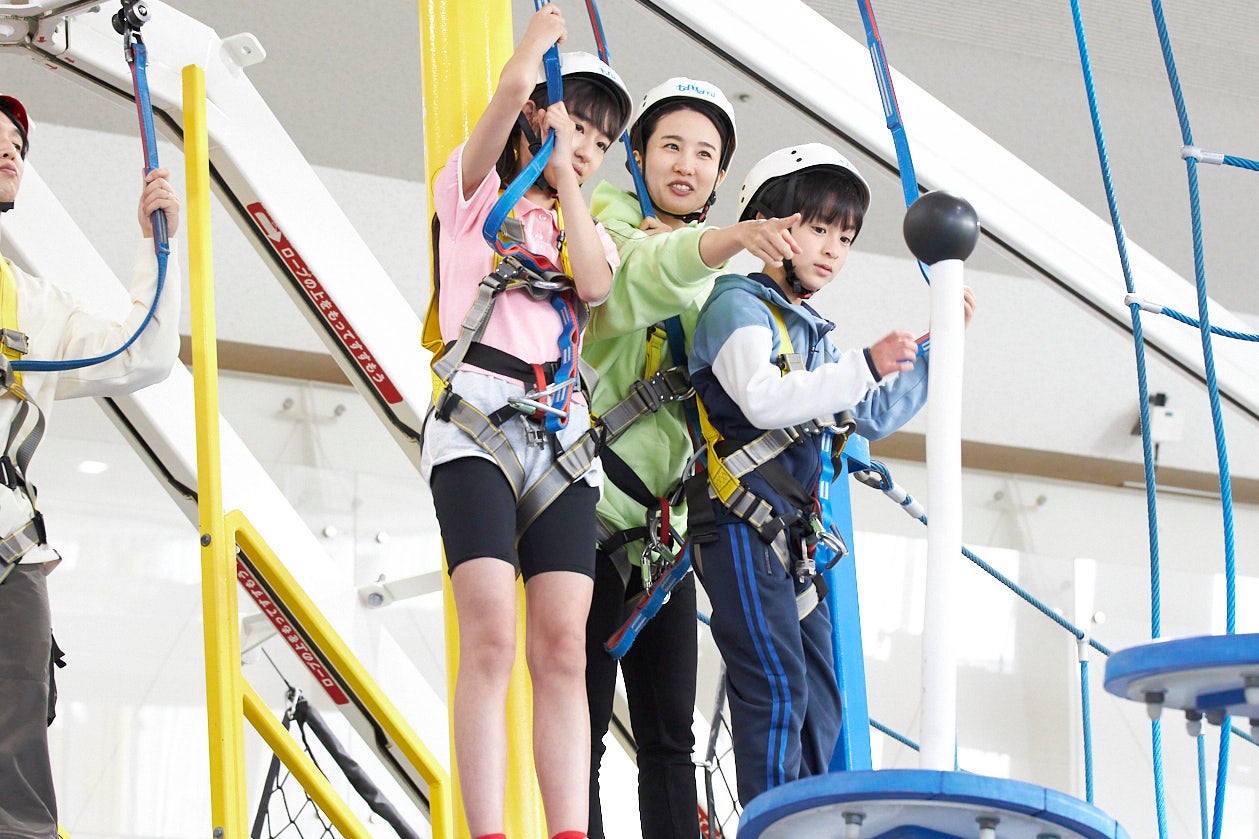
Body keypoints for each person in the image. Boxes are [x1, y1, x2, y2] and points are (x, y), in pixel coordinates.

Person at [687, 143, 976, 805]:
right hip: (740, 527)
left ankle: (809, 817)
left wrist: (936, 350)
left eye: (842, 237)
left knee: (820, 700)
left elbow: (867, 413)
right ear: (765, 226)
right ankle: (772, 824)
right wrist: (866, 365)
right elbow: (761, 395)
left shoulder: (810, 333)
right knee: (777, 684)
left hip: (790, 541)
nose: (830, 249)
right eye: (815, 228)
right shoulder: (737, 306)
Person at [419, 6, 632, 839]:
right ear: (540, 117)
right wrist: (536, 45)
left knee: (562, 646)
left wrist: (571, 180)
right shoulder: (471, 195)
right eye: (574, 124)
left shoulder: (591, 225)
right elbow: (509, 89)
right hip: (475, 422)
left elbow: (593, 284)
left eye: (599, 141)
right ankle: (488, 831)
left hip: (560, 437)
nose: (584, 146)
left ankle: (568, 830)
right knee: (491, 636)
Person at [581, 78, 804, 838]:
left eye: (705, 153)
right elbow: (627, 283)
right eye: (669, 146)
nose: (687, 164)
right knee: (578, 717)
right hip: (593, 502)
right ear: (637, 157)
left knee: (669, 736)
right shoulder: (604, 217)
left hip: (666, 525)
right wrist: (727, 242)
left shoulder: (730, 280)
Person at [0, 93, 182, 839]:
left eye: (16, 140)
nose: (10, 147)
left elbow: (144, 353)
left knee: (17, 795)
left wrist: (153, 244)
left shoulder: (31, 305)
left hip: (9, 562)